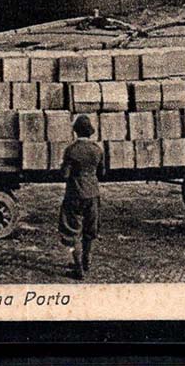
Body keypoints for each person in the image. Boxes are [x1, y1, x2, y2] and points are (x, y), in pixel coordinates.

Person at [59, 114, 103, 280]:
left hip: (75, 193)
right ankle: (86, 262)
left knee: (72, 231)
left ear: (76, 131)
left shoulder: (71, 150)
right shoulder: (97, 150)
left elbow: (64, 174)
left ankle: (78, 269)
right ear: (90, 132)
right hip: (93, 193)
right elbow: (102, 172)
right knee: (89, 230)